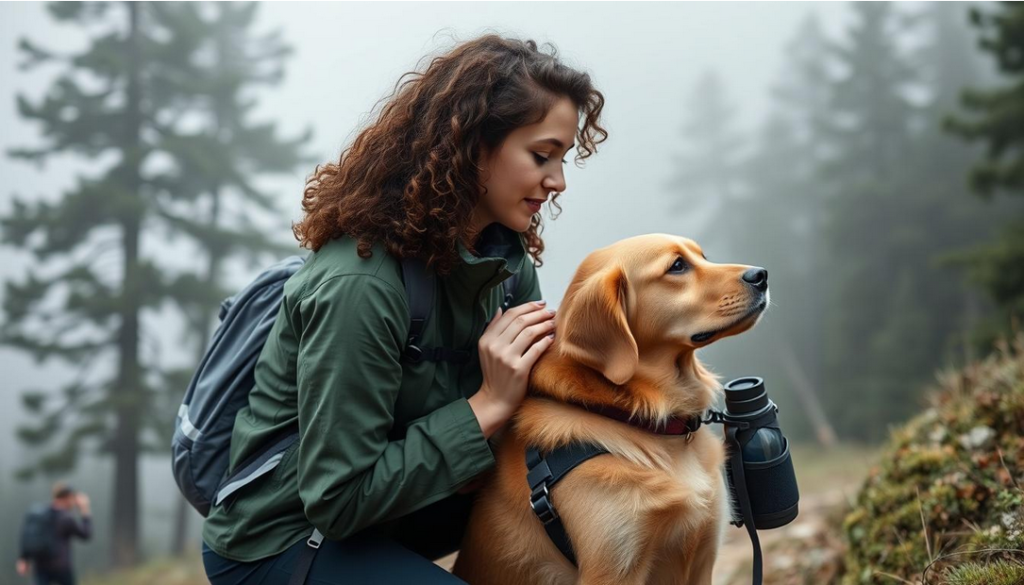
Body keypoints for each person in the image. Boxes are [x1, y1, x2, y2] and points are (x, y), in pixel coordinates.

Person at [201, 34, 607, 584]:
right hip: (281, 539)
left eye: (562, 159)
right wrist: (484, 410)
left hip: (401, 512)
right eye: (541, 155)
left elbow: (536, 416)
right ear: (472, 145)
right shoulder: (361, 284)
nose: (556, 181)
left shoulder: (503, 268)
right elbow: (337, 499)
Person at [16, 482, 92, 585]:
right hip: (61, 567)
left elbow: (28, 535)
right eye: (73, 498)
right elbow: (85, 534)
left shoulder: (40, 513)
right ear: (68, 497)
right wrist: (85, 509)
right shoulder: (66, 518)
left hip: (41, 566)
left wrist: (24, 558)